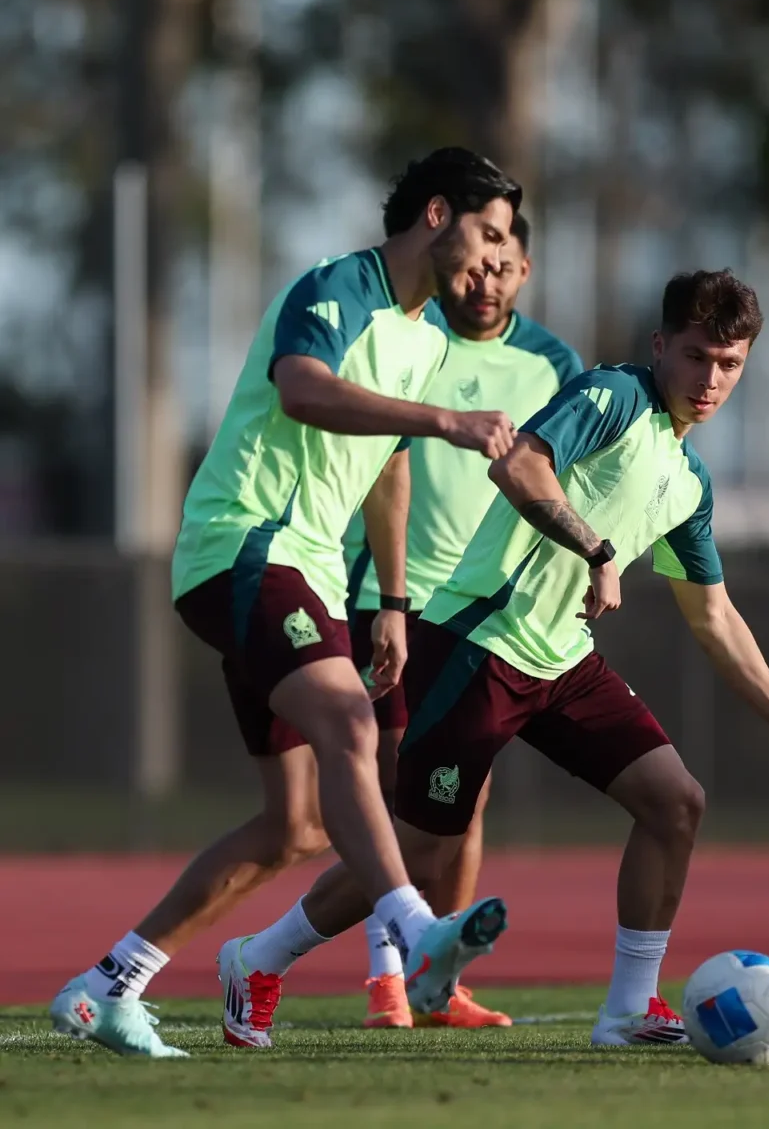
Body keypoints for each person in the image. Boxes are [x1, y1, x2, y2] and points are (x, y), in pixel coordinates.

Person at [222, 268, 769, 1048]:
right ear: (660, 347)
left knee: (675, 802)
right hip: (475, 642)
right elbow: (517, 462)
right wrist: (599, 550)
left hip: (561, 664)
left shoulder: (690, 480)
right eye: (695, 356)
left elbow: (714, 614)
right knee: (418, 849)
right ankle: (256, 959)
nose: (710, 379)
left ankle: (627, 1010)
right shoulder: (614, 396)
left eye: (729, 364)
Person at [50, 147, 525, 1058]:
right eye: (489, 232)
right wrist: (447, 421)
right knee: (352, 722)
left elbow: (389, 461)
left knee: (298, 826)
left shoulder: (427, 338)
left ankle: (110, 984)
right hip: (245, 542)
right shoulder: (340, 284)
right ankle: (420, 934)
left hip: (310, 572)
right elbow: (302, 389)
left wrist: (390, 596)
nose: (497, 258)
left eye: (509, 243)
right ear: (437, 215)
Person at [344, 212, 583, 1030]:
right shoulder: (414, 338)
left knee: (465, 799)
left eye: (506, 266)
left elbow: (573, 476)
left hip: (485, 614)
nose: (489, 281)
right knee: (388, 790)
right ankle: (384, 977)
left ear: (526, 270)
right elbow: (376, 458)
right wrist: (387, 593)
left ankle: (438, 978)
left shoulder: (552, 362)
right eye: (479, 265)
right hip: (393, 595)